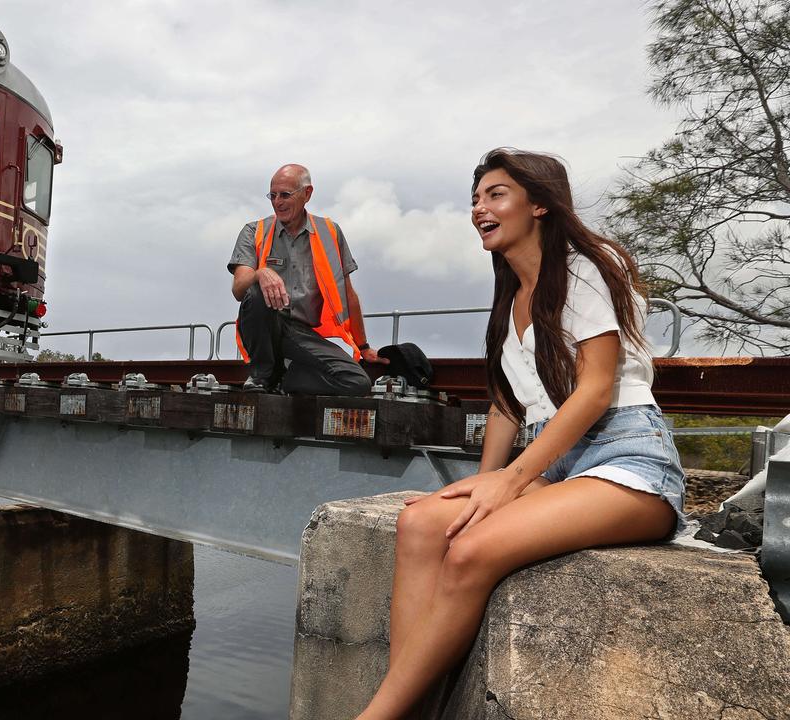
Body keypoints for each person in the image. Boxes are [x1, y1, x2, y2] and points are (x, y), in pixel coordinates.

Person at [355, 148, 686, 719]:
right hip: (554, 461)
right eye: (476, 199)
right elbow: (509, 406)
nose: (480, 208)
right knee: (422, 524)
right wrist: (483, 487)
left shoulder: (585, 264)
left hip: (627, 458)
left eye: (495, 194)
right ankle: (407, 706)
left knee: (472, 553)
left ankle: (377, 717)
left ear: (538, 204)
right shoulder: (512, 296)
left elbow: (595, 389)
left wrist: (509, 481)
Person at [228, 164, 384, 394]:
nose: (277, 202)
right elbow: (239, 289)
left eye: (285, 195)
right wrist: (260, 273)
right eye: (272, 195)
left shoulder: (330, 233)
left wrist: (364, 347)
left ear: (307, 194)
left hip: (301, 333)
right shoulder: (254, 231)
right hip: (264, 326)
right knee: (256, 290)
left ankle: (286, 379)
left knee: (357, 383)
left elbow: (348, 294)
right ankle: (262, 375)